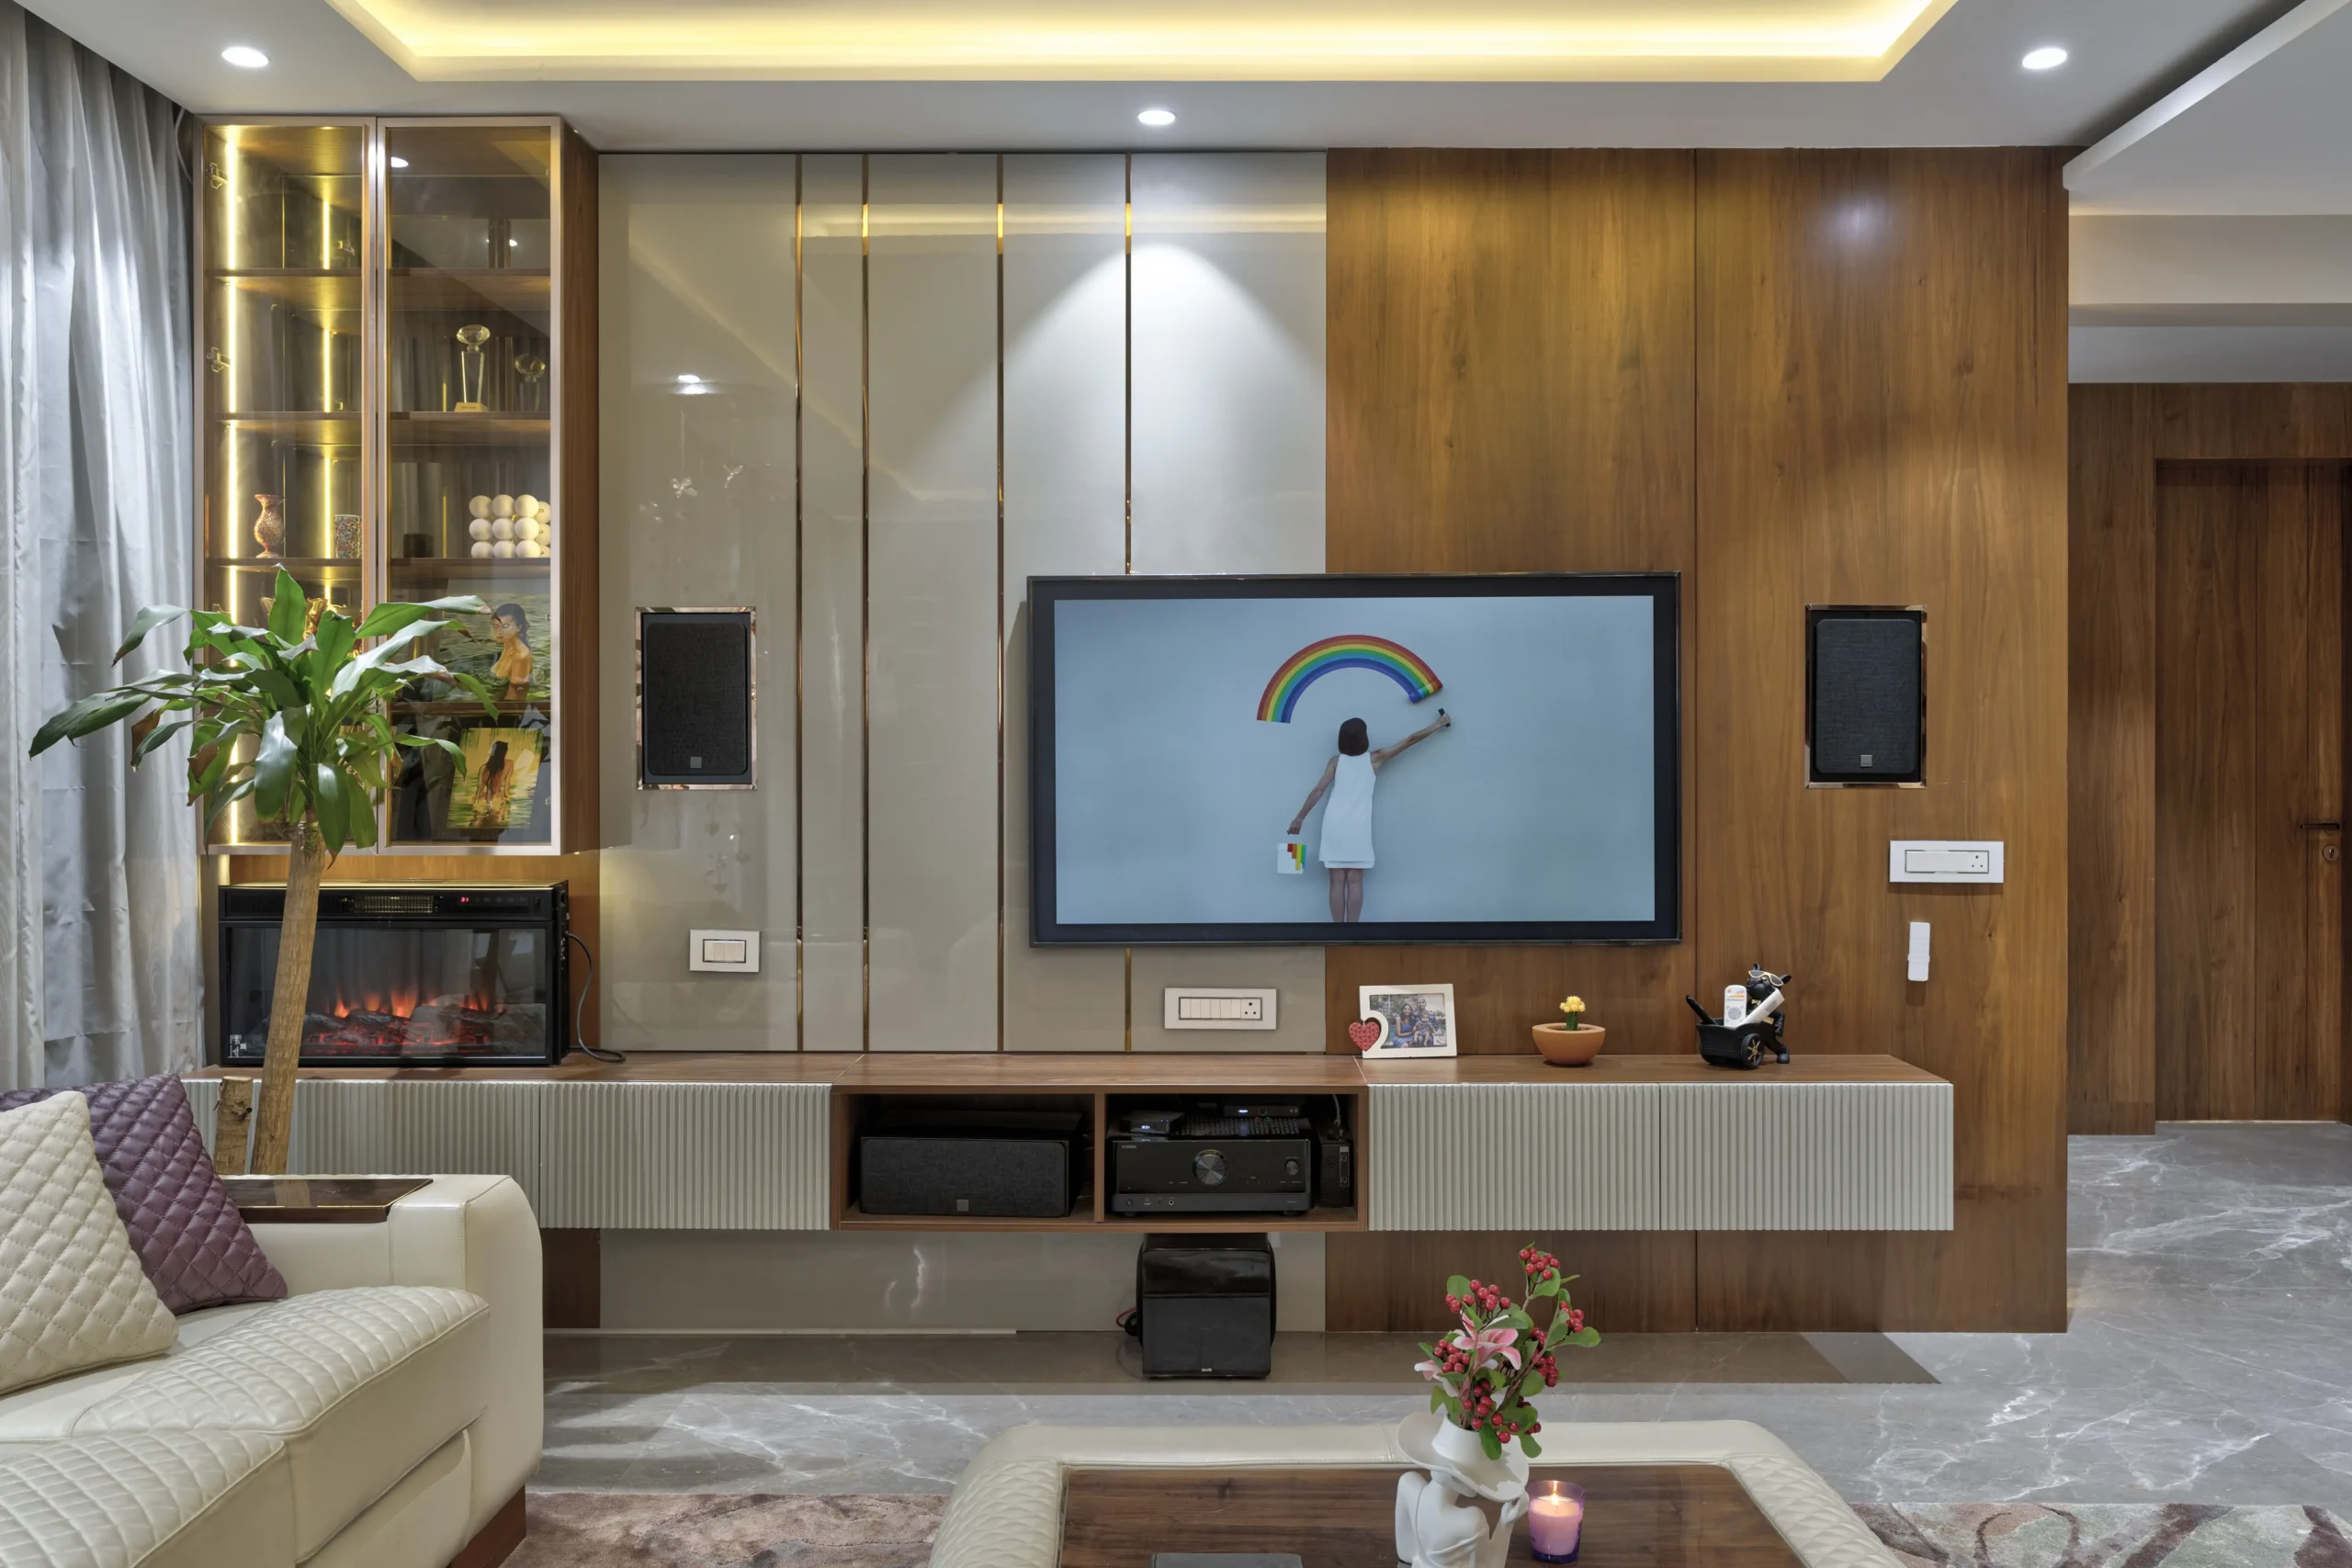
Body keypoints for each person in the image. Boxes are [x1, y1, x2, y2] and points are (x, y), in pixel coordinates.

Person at [1287, 708, 1451, 923]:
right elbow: (1410, 740)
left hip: (1334, 824)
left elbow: (1319, 790)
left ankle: (1337, 931)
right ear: (1364, 738)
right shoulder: (1376, 758)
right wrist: (1437, 725)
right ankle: (1352, 931)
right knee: (1355, 881)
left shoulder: (1335, 762)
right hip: (1358, 827)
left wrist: (1300, 817)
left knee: (1336, 881)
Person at [490, 602, 533, 698]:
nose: (499, 631)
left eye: (505, 626)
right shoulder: (508, 646)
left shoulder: (521, 657)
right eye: (496, 626)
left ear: (519, 627)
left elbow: (516, 695)